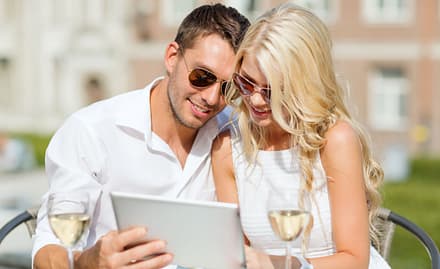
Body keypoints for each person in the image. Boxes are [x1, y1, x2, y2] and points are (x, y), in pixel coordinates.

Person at [32, 4, 250, 269]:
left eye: (228, 88)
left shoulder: (235, 135)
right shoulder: (91, 131)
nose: (212, 98)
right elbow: (48, 253)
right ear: (171, 57)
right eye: (202, 76)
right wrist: (87, 263)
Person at [212, 3, 390, 269]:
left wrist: (279, 264)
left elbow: (355, 260)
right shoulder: (228, 147)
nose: (256, 100)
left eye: (272, 90)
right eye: (246, 83)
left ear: (302, 87)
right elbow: (238, 256)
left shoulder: (334, 141)